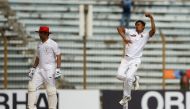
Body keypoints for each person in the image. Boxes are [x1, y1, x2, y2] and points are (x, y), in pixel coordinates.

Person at [116, 13, 156, 106]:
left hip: (135, 60)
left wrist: (151, 18)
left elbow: (153, 30)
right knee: (119, 76)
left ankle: (127, 96)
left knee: (128, 77)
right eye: (136, 24)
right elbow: (119, 28)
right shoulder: (130, 32)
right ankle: (135, 79)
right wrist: (124, 37)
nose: (137, 26)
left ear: (143, 27)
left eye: (139, 24)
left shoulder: (145, 36)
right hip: (126, 59)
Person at [27, 26, 62, 109]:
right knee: (32, 86)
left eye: (41, 33)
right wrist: (33, 68)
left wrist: (58, 69)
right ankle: (31, 107)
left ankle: (52, 107)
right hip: (39, 69)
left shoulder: (53, 43)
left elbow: (59, 55)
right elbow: (38, 57)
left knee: (51, 90)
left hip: (50, 69)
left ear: (46, 34)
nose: (39, 34)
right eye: (39, 33)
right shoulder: (39, 44)